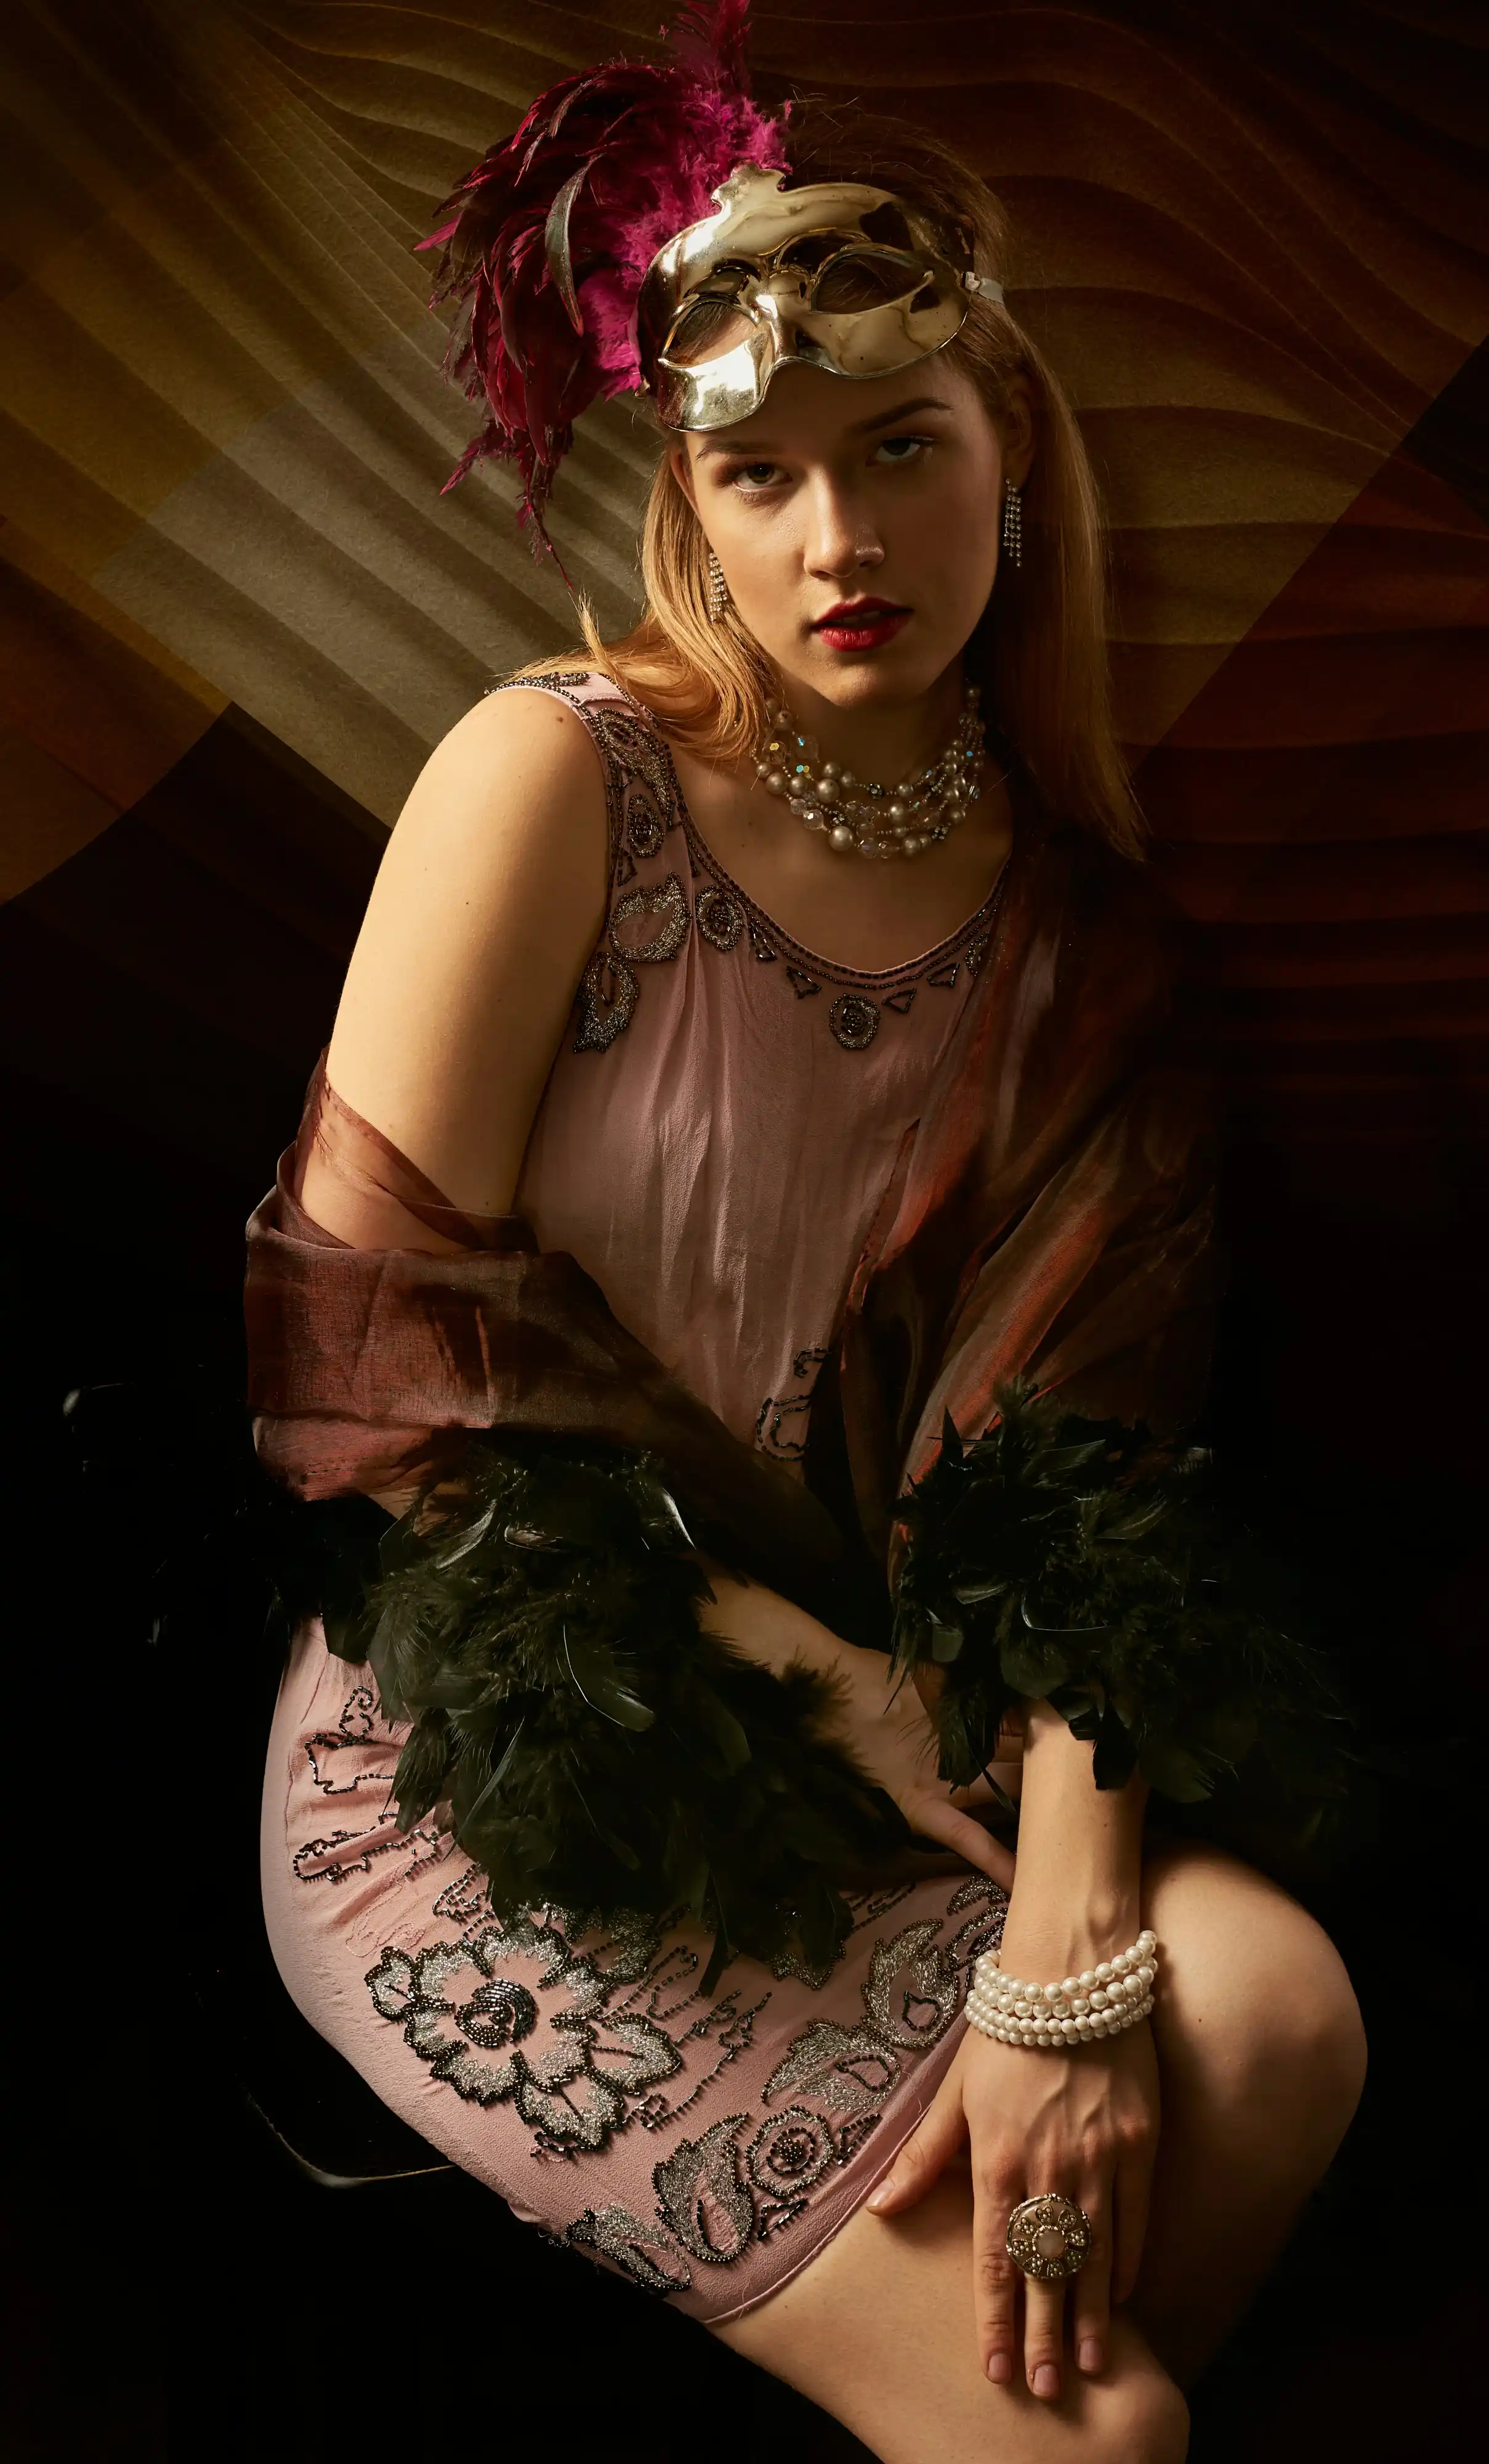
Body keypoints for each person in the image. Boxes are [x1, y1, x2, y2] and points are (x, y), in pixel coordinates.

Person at [248, 9, 1365, 2458]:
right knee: (1113, 2430)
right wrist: (815, 1681)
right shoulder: (554, 776)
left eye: (898, 454)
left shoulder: (1088, 957)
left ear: (1013, 465)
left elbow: (1085, 1518)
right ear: (692, 503)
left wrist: (1065, 1934)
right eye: (758, 475)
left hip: (891, 1725)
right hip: (498, 1749)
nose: (836, 544)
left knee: (1277, 2017)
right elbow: (370, 1391)